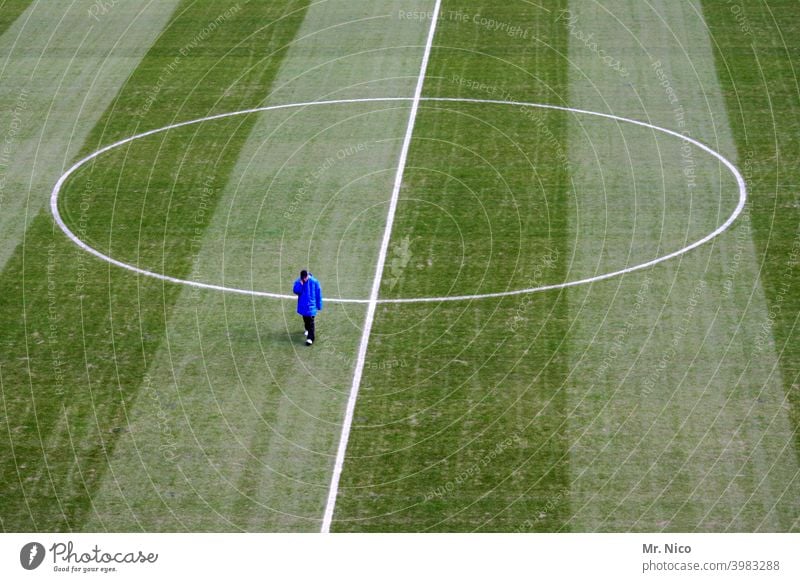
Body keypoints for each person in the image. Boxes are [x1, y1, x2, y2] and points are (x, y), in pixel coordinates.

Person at [293, 269, 323, 346]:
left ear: (307, 276)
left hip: (311, 307)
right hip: (303, 306)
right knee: (305, 320)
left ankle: (310, 338)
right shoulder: (299, 281)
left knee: (311, 322)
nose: (304, 279)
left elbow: (318, 294)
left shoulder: (314, 282)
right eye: (302, 278)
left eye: (305, 278)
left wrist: (319, 305)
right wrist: (300, 284)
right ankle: (307, 329)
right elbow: (296, 291)